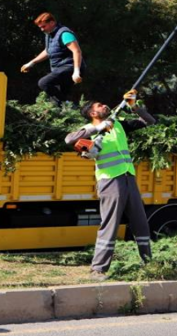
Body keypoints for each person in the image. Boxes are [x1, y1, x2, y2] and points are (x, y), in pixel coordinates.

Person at [65, 91, 155, 280]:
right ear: (93, 114)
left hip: (129, 177)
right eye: (99, 105)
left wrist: (134, 106)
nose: (104, 105)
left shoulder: (119, 125)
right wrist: (98, 128)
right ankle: (98, 270)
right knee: (110, 225)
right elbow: (69, 139)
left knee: (141, 223)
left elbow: (150, 122)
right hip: (110, 181)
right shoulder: (89, 129)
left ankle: (148, 263)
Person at [21, 12, 84, 106]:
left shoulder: (64, 33)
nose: (42, 29)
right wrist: (32, 62)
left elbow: (77, 51)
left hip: (70, 67)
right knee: (56, 101)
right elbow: (48, 51)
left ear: (52, 22)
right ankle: (67, 111)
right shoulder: (49, 34)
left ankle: (68, 105)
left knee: (44, 83)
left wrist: (76, 71)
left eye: (44, 26)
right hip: (59, 69)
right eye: (40, 27)